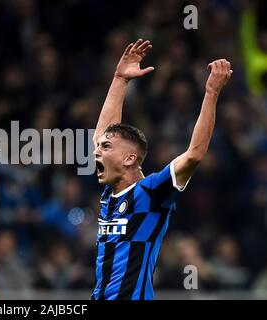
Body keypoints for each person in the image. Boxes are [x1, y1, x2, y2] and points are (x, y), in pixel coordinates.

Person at [91, 39, 232, 300]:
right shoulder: (110, 193)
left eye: (106, 148)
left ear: (129, 159)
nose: (97, 151)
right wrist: (120, 79)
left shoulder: (152, 192)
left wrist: (211, 93)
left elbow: (194, 155)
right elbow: (103, 134)